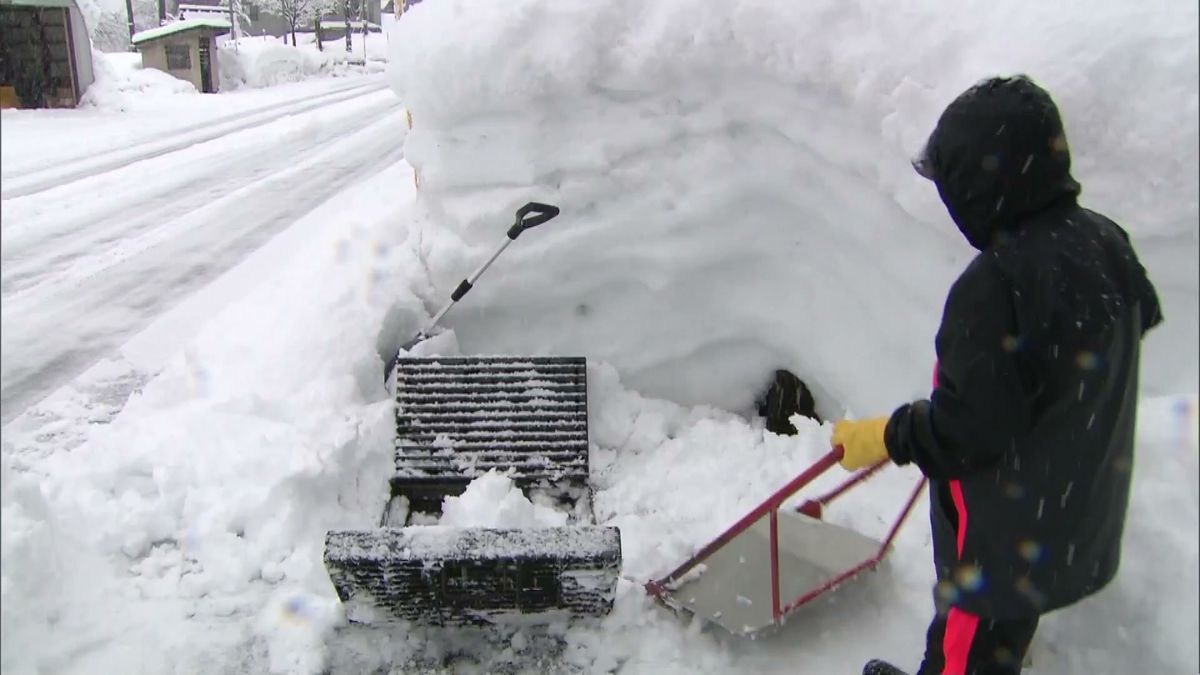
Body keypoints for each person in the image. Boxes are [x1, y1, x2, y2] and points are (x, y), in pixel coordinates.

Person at [831, 75, 1163, 675]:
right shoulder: (1105, 240)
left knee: (964, 645)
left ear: (981, 184)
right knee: (998, 639)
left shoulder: (994, 286)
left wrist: (888, 433)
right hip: (1066, 512)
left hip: (999, 536)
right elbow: (1132, 323)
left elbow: (969, 434)